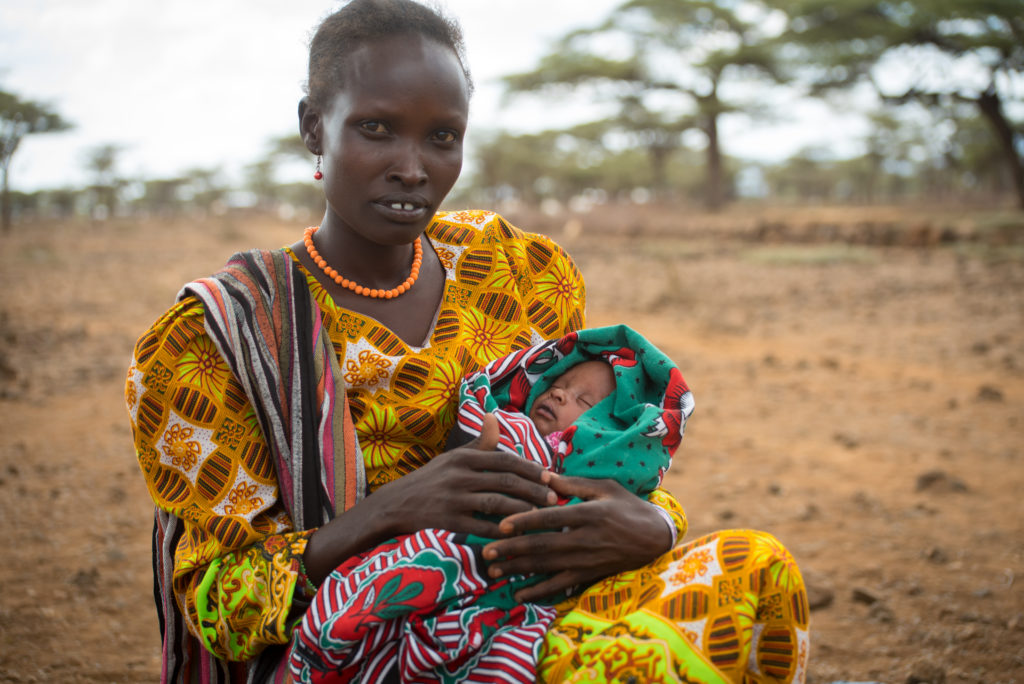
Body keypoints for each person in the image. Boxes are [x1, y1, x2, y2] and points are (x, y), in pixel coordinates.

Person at [125, 1, 809, 682]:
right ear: (313, 128)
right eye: (376, 129)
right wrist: (388, 512)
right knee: (640, 667)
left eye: (442, 137)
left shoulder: (511, 270)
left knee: (760, 571)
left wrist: (654, 528)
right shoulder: (217, 336)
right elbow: (218, 609)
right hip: (365, 641)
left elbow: (593, 454)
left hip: (534, 599)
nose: (413, 167)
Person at [289, 325, 694, 683]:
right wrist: (384, 509)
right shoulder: (506, 427)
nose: (555, 390)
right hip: (397, 562)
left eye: (583, 402)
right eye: (560, 383)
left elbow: (628, 492)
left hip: (535, 607)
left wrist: (661, 523)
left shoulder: (535, 271)